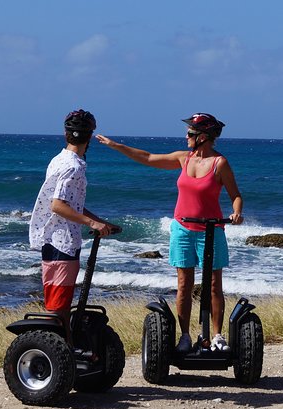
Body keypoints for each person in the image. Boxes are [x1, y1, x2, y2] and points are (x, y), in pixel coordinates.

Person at [96, 113, 243, 352]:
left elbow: (235, 195)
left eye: (191, 134)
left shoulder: (220, 163)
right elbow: (149, 157)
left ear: (203, 137)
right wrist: (116, 146)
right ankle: (184, 336)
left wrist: (236, 213)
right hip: (183, 228)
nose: (186, 137)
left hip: (211, 229)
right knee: (184, 284)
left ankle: (217, 336)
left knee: (214, 285)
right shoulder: (184, 159)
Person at [29, 109, 119, 344]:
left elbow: (71, 204)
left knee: (57, 304)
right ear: (89, 137)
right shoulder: (74, 167)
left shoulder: (58, 159)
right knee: (58, 308)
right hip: (63, 243)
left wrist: (100, 222)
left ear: (66, 134)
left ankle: (62, 354)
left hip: (51, 239)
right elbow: (58, 205)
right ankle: (59, 357)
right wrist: (92, 223)